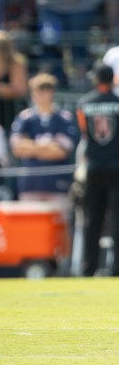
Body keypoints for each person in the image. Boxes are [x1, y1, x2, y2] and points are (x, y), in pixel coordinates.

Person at [12, 0, 101, 86]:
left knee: (78, 45)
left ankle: (80, 83)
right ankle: (43, 84)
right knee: (48, 42)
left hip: (79, 7)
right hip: (51, 5)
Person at [76, 64, 119, 276]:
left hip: (93, 166)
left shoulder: (84, 103)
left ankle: (88, 267)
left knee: (93, 219)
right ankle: (116, 268)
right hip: (117, 166)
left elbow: (85, 133)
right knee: (117, 220)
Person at [10, 73, 79, 205]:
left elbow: (61, 152)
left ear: (52, 93)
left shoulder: (64, 118)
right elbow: (18, 149)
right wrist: (46, 146)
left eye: (44, 92)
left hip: (57, 184)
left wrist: (31, 147)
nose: (40, 96)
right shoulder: (25, 118)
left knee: (59, 224)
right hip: (30, 184)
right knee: (30, 224)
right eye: (37, 92)